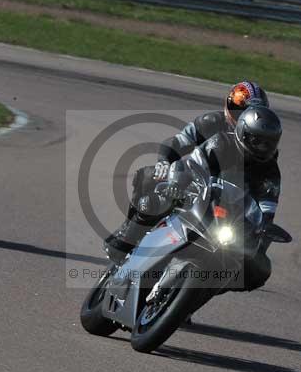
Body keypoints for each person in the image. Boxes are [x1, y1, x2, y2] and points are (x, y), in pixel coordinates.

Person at [106, 103, 282, 292]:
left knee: (260, 269)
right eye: (257, 141)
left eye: (268, 143)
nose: (263, 147)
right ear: (244, 133)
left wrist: (261, 235)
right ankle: (126, 243)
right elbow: (190, 164)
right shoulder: (221, 142)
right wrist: (175, 185)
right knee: (154, 201)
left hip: (231, 220)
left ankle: (199, 292)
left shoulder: (271, 172)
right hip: (195, 197)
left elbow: (267, 210)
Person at [104, 80, 269, 263]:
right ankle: (128, 232)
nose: (242, 115)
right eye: (239, 108)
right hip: (193, 182)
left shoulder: (262, 142)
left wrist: (260, 229)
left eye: (248, 112)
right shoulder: (210, 122)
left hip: (229, 199)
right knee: (149, 176)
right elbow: (177, 142)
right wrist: (164, 163)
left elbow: (266, 186)